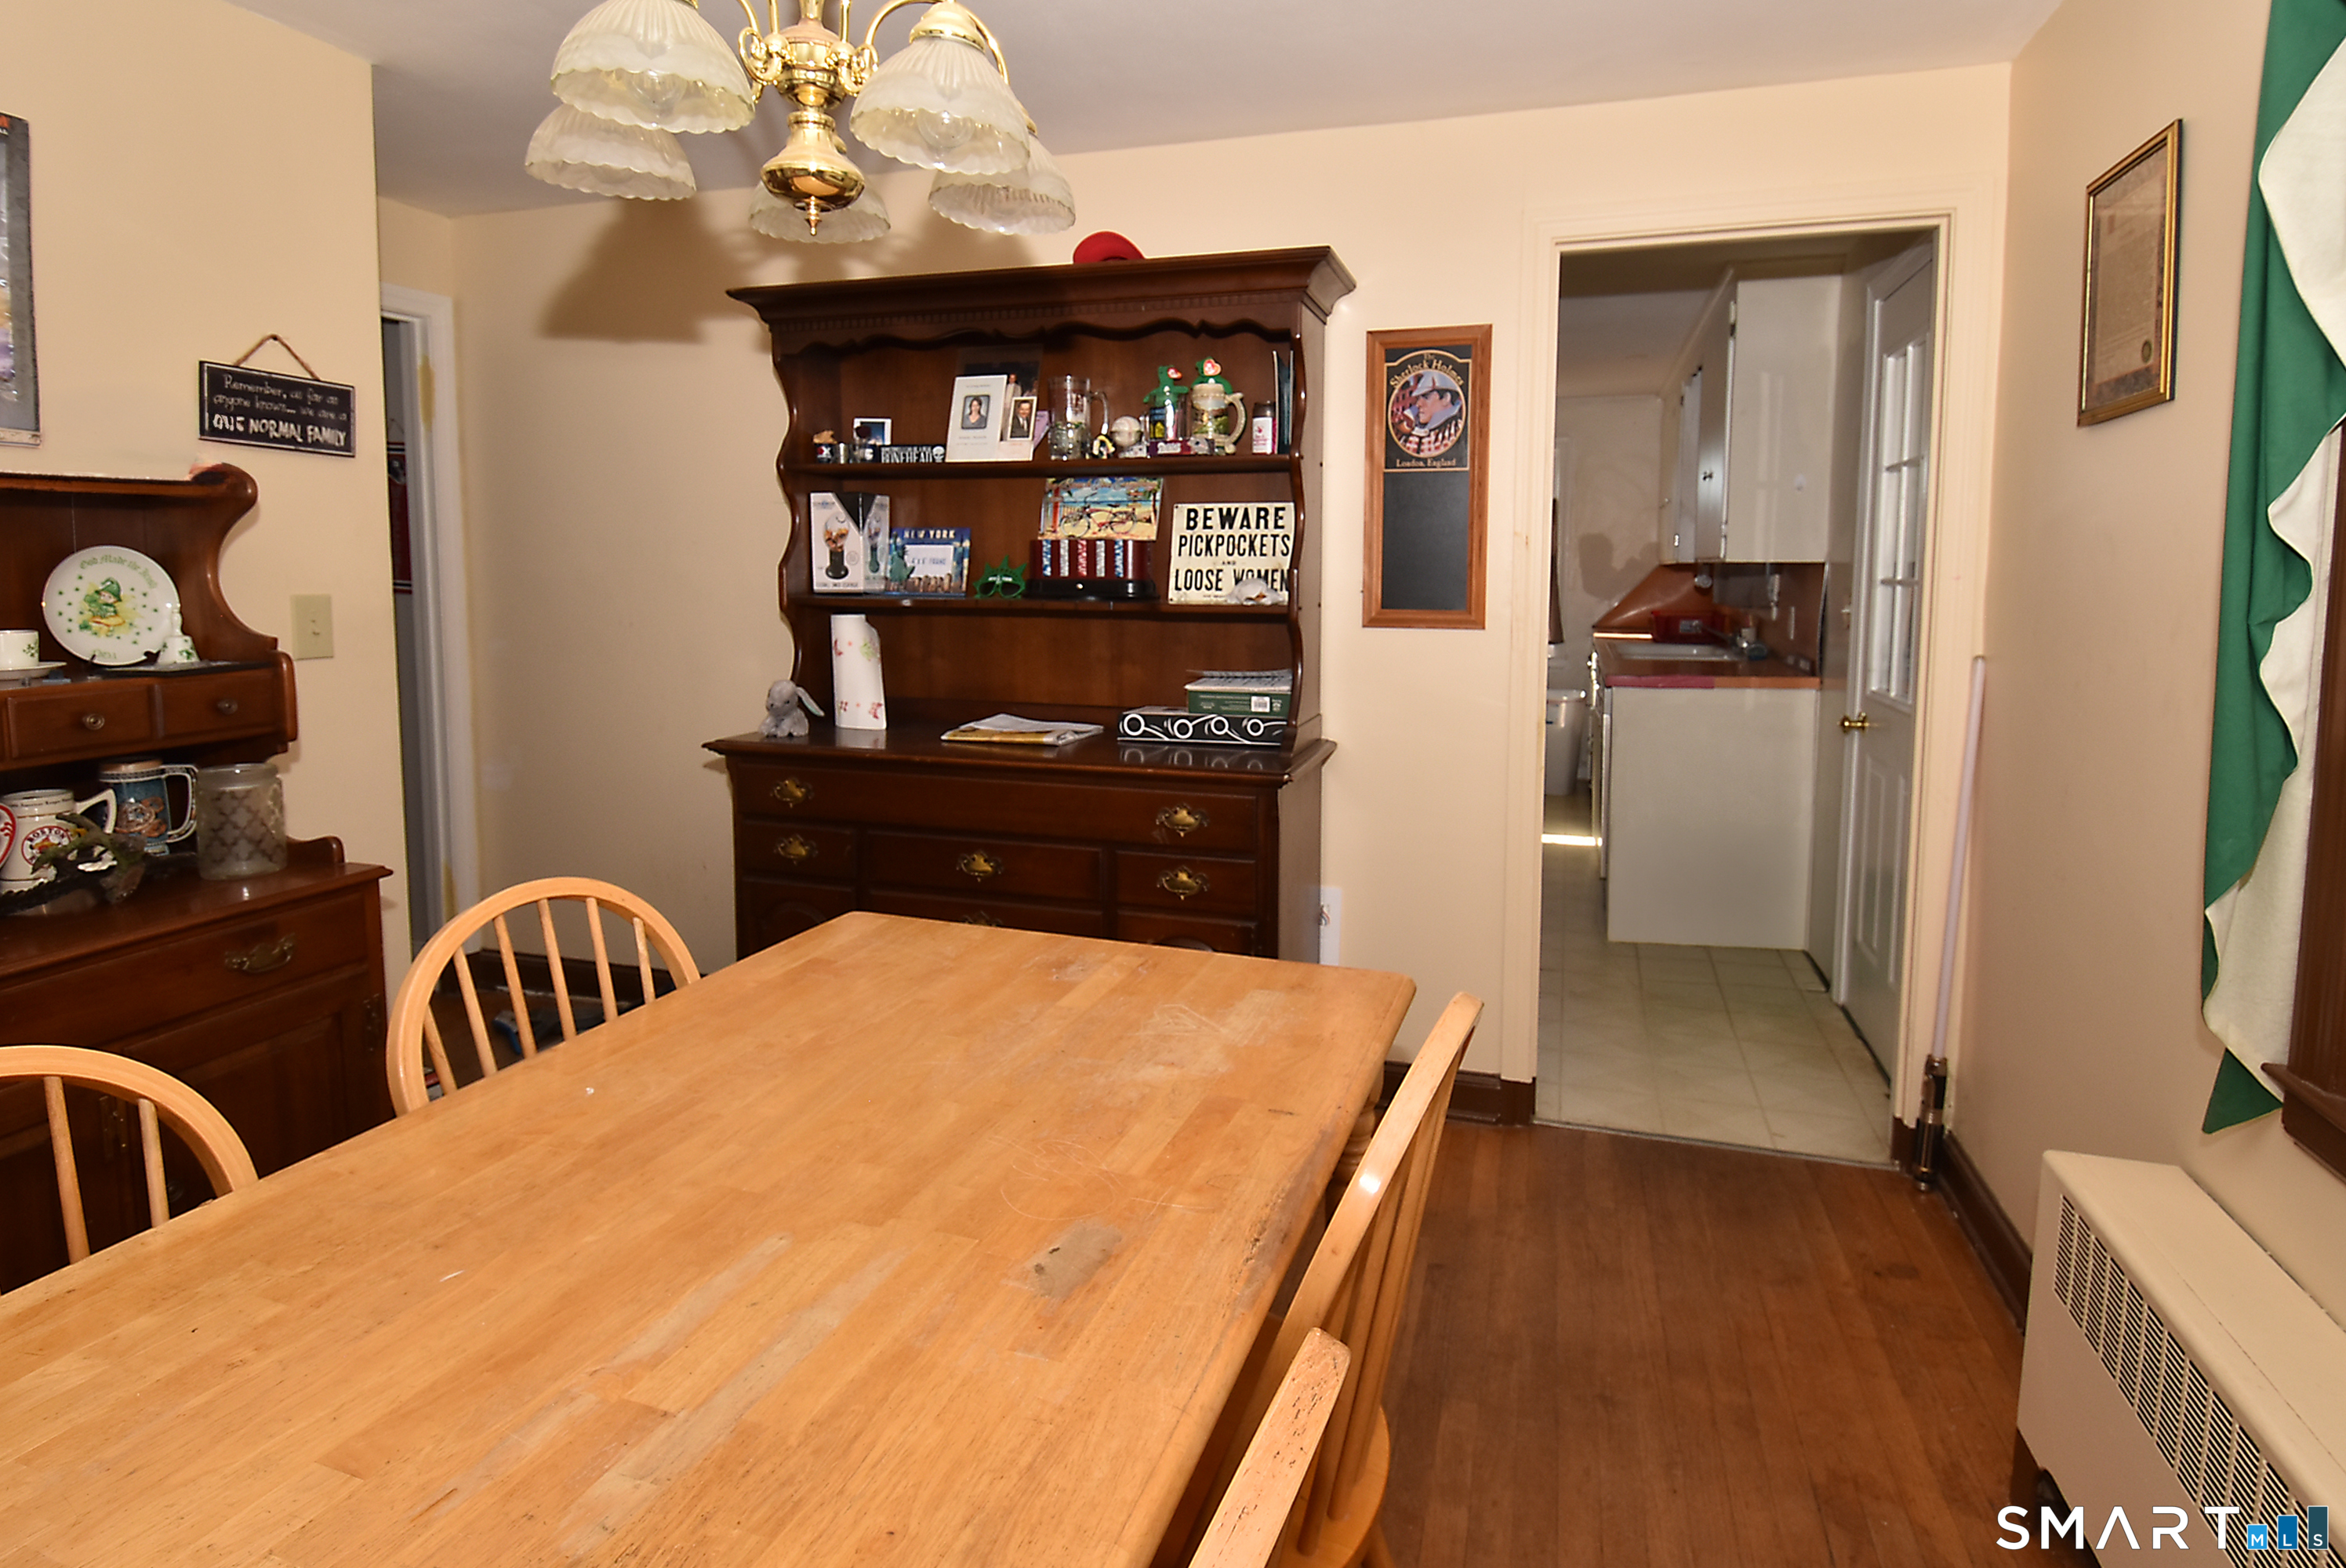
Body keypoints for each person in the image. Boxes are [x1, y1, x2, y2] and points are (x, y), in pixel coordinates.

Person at [1395, 371, 1463, 457]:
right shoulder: (1412, 435)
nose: (1418, 404)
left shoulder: (1456, 430)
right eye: (1418, 398)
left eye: (1426, 397)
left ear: (1446, 399)